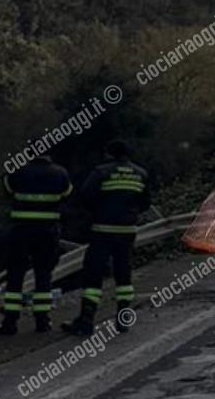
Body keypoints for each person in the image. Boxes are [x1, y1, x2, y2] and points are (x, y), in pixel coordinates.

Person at [63, 141, 151, 336]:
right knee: (124, 273)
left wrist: (99, 212)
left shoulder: (101, 172)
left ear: (109, 154)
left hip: (103, 230)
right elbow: (145, 202)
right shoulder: (140, 173)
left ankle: (86, 321)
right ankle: (123, 320)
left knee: (93, 273)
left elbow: (85, 195)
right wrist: (130, 213)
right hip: (127, 231)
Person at [0, 155, 72, 335]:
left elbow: (7, 191)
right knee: (44, 274)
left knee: (15, 275)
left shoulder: (16, 171)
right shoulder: (60, 173)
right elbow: (67, 195)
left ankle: (10, 322)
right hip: (47, 232)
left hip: (20, 231)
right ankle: (42, 321)